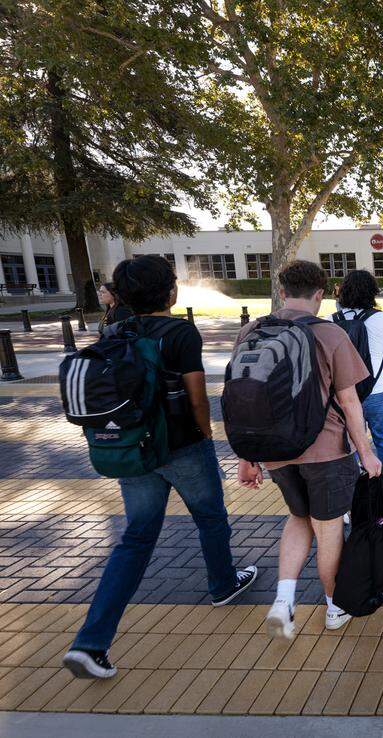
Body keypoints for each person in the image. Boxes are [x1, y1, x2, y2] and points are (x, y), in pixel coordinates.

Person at [63, 255, 257, 680]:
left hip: (134, 450)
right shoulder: (180, 332)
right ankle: (222, 584)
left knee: (135, 539)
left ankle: (90, 642)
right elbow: (197, 396)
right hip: (182, 447)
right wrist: (206, 434)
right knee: (210, 518)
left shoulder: (115, 330)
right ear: (169, 291)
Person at [235, 260, 383, 640]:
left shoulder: (252, 331)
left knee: (299, 518)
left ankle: (284, 600)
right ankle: (334, 606)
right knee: (329, 528)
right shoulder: (329, 334)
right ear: (320, 294)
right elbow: (350, 403)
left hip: (275, 450)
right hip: (327, 451)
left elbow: (243, 397)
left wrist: (247, 457)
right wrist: (367, 454)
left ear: (282, 291)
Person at [335, 271, 383, 486]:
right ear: (373, 292)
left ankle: (355, 481)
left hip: (342, 393)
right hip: (378, 391)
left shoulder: (329, 321)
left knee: (349, 440)